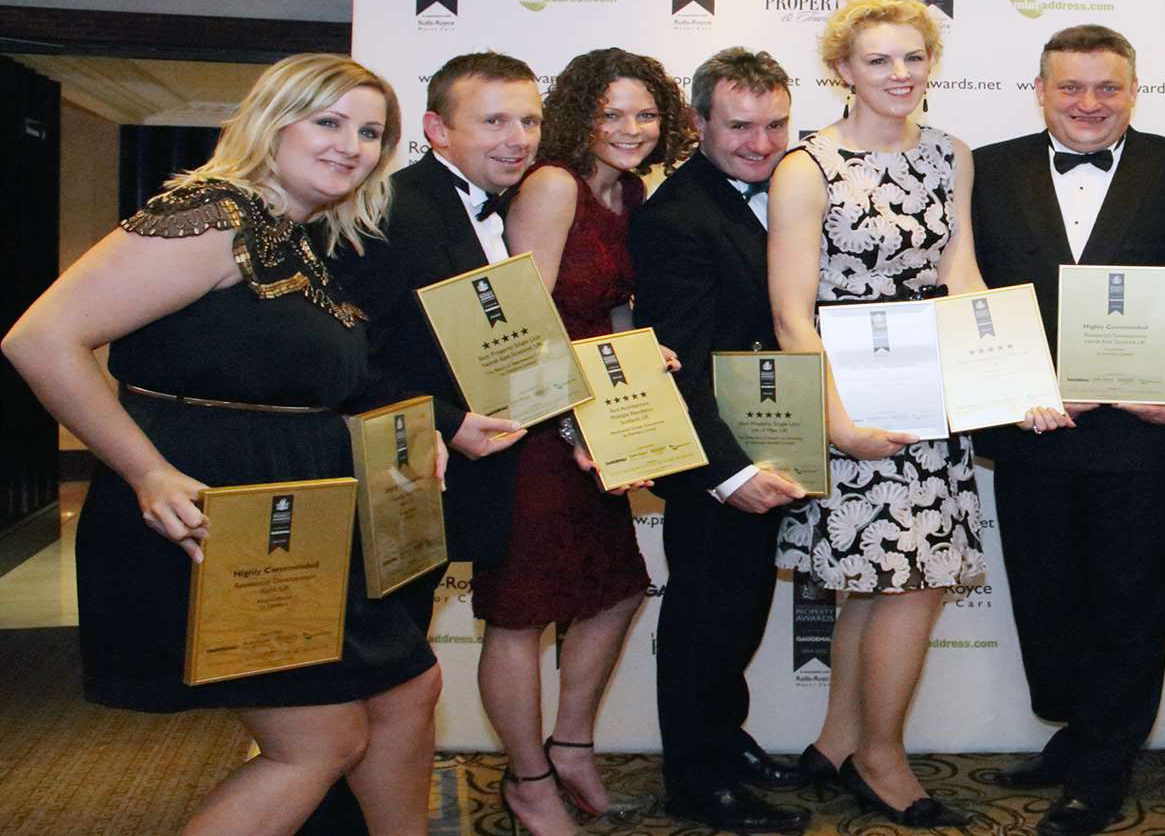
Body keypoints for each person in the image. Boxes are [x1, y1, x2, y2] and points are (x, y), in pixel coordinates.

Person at [2, 54, 443, 836]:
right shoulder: (213, 214)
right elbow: (41, 340)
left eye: (372, 132)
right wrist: (148, 472)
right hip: (216, 516)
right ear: (272, 120)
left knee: (406, 687)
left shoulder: (295, 236)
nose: (352, 145)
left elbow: (282, 389)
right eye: (328, 121)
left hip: (295, 511)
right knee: (318, 742)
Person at [970, 24, 1165, 836]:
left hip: (1139, 436)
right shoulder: (987, 167)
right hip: (1033, 432)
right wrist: (1004, 385)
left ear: (1134, 89)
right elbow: (967, 292)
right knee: (1047, 597)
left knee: (1129, 601)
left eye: (1108, 87)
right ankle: (1079, 732)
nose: (1089, 104)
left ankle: (1106, 764)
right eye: (1071, 87)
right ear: (1040, 90)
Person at [769, 0, 1003, 829]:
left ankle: (837, 743)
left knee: (881, 589)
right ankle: (882, 758)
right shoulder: (807, 166)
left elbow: (963, 276)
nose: (900, 74)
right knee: (900, 585)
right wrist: (835, 424)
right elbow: (793, 312)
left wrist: (1006, 379)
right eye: (879, 60)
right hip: (849, 396)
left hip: (932, 396)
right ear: (842, 71)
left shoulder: (951, 155)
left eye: (913, 57)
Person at [475, 48, 693, 836]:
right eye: (612, 114)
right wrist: (573, 419)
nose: (632, 129)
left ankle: (569, 745)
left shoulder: (631, 191)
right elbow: (520, 328)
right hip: (534, 422)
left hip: (592, 419)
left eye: (645, 113)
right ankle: (528, 779)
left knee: (617, 586)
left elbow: (609, 314)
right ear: (579, 119)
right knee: (520, 613)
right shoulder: (553, 184)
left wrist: (638, 366)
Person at [630, 46, 812, 834]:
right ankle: (696, 782)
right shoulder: (675, 215)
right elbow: (679, 360)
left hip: (769, 440)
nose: (760, 143)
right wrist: (727, 472)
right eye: (739, 126)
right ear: (699, 121)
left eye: (774, 125)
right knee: (704, 620)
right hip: (716, 460)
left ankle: (724, 741)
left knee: (737, 612)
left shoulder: (790, 187)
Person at [333, 51, 545, 635]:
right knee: (386, 651)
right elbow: (348, 360)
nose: (518, 139)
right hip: (397, 477)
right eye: (494, 121)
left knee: (404, 653)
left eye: (529, 122)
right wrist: (446, 422)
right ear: (437, 130)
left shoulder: (488, 205)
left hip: (452, 479)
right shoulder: (394, 211)